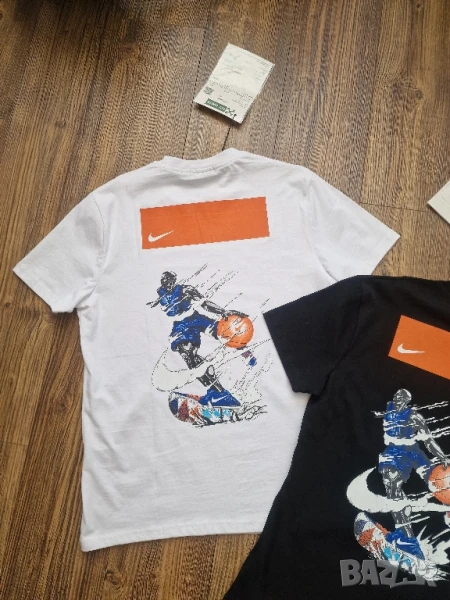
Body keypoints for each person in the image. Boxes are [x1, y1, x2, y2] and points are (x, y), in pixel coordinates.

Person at [147, 271, 247, 407]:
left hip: (196, 319)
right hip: (181, 326)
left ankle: (248, 355)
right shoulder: (161, 294)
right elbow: (163, 299)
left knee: (226, 334)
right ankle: (216, 391)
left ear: (174, 280)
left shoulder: (186, 290)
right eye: (165, 282)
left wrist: (222, 311)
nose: (168, 285)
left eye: (170, 282)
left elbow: (204, 304)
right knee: (187, 355)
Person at [378, 388, 449, 559]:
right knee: (392, 487)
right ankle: (407, 539)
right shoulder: (388, 410)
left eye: (402, 397)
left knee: (438, 481)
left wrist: (441, 456)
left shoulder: (414, 416)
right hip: (394, 453)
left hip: (413, 452)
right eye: (396, 396)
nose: (398, 398)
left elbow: (429, 440)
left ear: (407, 401)